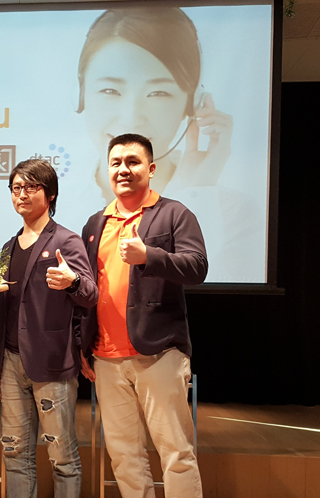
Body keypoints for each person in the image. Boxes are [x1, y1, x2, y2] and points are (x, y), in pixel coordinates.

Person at [79, 133, 207, 498]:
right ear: (107, 170)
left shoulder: (174, 213)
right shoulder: (95, 224)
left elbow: (197, 267)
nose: (123, 169)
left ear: (151, 169)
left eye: (133, 162)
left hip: (159, 352)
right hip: (106, 357)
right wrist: (82, 346)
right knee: (124, 457)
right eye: (116, 163)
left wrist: (150, 255)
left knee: (176, 453)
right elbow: (90, 290)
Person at [0, 159, 98, 497]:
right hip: (11, 362)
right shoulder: (8, 247)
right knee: (14, 452)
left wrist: (72, 281)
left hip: (52, 363)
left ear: (50, 194)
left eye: (31, 187)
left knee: (62, 457)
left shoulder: (67, 240)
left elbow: (91, 295)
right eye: (16, 188)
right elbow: (1, 308)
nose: (22, 194)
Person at [77, 7, 233, 202]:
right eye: (110, 91)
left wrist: (199, 191)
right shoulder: (50, 202)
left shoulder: (235, 211)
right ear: (81, 93)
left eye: (158, 93)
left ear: (192, 103)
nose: (131, 120)